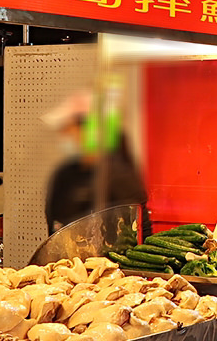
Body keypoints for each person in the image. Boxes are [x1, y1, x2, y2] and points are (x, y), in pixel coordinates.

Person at [43, 91, 149, 235]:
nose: (63, 136)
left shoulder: (118, 177)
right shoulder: (63, 174)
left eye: (68, 129)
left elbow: (136, 233)